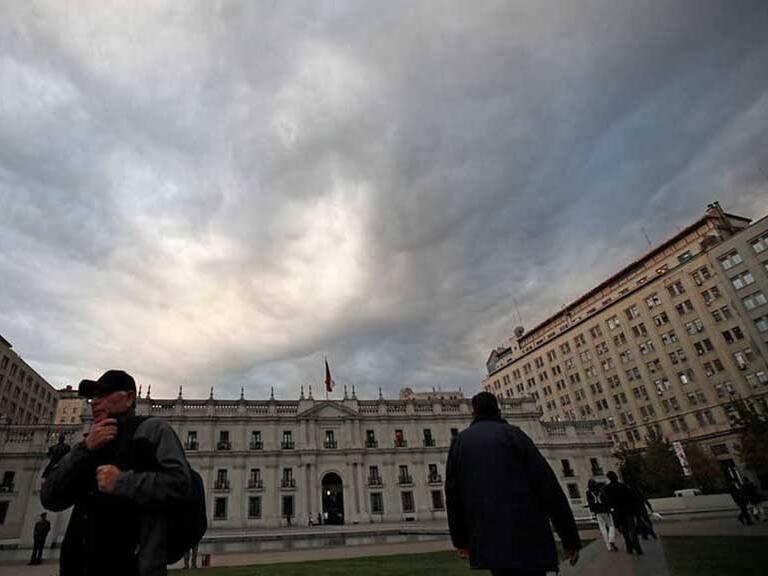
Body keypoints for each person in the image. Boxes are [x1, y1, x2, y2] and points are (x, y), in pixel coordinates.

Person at [41, 370, 193, 576]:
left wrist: (122, 482)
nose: (94, 402)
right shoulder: (88, 444)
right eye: (92, 397)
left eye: (103, 395)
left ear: (129, 398)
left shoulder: (152, 431)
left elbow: (181, 485)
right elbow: (50, 498)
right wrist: (84, 448)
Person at [446, 392, 580, 576]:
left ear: (473, 413)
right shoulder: (516, 436)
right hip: (529, 536)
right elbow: (549, 487)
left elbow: (453, 497)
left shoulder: (460, 442)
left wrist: (460, 540)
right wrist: (569, 538)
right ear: (498, 411)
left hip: (490, 539)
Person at [602, 471, 642, 555]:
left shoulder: (607, 488)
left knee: (624, 531)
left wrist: (610, 510)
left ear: (609, 478)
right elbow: (631, 498)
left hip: (617, 512)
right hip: (627, 510)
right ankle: (637, 547)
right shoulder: (623, 486)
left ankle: (629, 547)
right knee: (632, 529)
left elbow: (607, 501)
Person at [586, 479, 617, 551]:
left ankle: (608, 546)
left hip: (597, 512)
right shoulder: (601, 490)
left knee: (602, 528)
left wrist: (593, 511)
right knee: (611, 525)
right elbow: (606, 499)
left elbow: (590, 502)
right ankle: (611, 539)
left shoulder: (588, 492)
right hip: (605, 510)